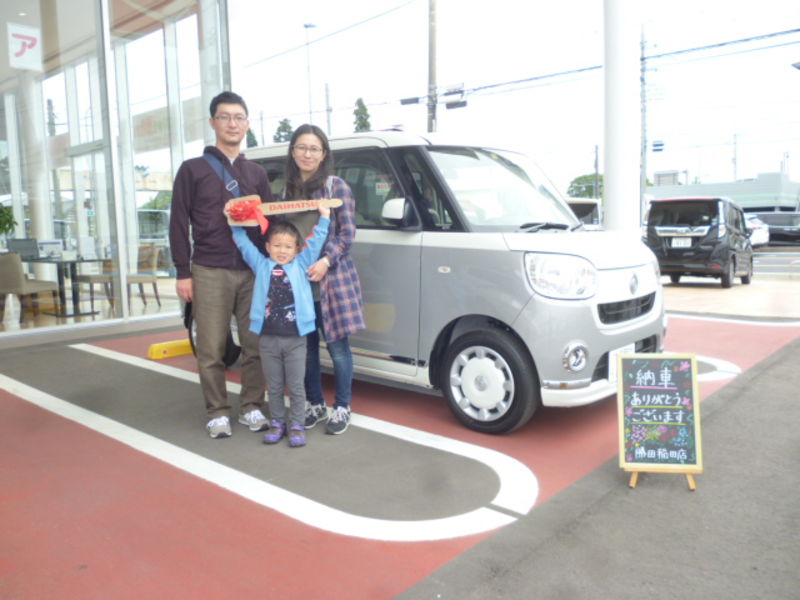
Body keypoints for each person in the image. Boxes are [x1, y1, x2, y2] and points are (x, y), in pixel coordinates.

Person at [169, 91, 271, 439]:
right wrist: (183, 272)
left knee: (255, 345)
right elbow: (178, 222)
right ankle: (217, 411)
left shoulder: (256, 173)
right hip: (209, 269)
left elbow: (269, 223)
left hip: (252, 271)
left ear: (247, 124)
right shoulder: (192, 169)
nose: (232, 123)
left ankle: (252, 406)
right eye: (225, 117)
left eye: (238, 117)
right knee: (211, 347)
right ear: (213, 122)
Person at [282, 124, 366, 435]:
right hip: (299, 283)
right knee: (306, 348)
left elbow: (347, 233)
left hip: (332, 281)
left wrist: (326, 260)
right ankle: (315, 404)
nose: (307, 154)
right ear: (293, 152)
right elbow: (282, 236)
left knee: (338, 347)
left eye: (314, 149)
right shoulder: (286, 192)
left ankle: (342, 406)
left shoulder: (336, 187)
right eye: (301, 147)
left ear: (324, 154)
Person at [225, 202, 330, 447]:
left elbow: (316, 241)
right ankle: (277, 423)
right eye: (277, 245)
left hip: (296, 339)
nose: (282, 251)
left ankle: (297, 425)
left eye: (288, 246)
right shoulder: (261, 264)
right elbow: (243, 244)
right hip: (268, 338)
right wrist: (235, 224)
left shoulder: (301, 264)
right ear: (267, 247)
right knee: (273, 386)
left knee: (296, 386)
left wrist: (324, 218)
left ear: (297, 249)